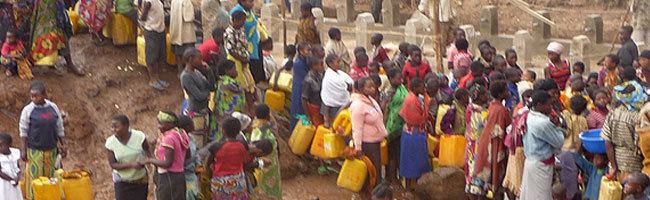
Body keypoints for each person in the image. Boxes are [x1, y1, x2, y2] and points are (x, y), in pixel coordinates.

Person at [19, 81, 66, 200]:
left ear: (44, 94)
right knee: (35, 178)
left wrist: (63, 145)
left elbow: (59, 127)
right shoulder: (28, 110)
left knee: (51, 177)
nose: (34, 99)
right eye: (32, 96)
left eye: (37, 96)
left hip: (51, 149)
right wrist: (23, 150)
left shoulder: (53, 107)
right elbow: (23, 131)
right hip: (35, 151)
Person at [520, 90, 565, 200]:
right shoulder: (542, 123)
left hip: (531, 162)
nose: (551, 108)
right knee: (541, 196)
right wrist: (558, 127)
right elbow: (559, 141)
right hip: (540, 166)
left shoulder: (529, 115)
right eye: (549, 105)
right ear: (539, 105)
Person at [603, 68, 644, 184]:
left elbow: (607, 142)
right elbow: (640, 145)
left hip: (615, 160)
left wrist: (614, 165)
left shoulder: (612, 114)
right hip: (634, 162)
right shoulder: (638, 116)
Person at [472, 81, 512, 199]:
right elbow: (506, 130)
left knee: (486, 176)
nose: (508, 93)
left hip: (486, 142)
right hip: (494, 145)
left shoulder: (491, 106)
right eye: (506, 91)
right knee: (496, 175)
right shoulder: (501, 110)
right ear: (500, 94)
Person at [350, 76, 387, 198]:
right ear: (361, 88)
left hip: (376, 141)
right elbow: (357, 128)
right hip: (367, 143)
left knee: (375, 171)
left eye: (373, 86)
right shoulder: (358, 105)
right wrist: (358, 147)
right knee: (372, 173)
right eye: (369, 87)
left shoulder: (371, 100)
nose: (373, 89)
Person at [30, 0, 84, 76]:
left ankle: (69, 64)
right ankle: (48, 63)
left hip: (53, 9)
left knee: (59, 33)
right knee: (47, 34)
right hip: (43, 9)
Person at [105, 115, 149, 200]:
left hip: (140, 179)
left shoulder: (139, 136)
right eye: (112, 127)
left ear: (126, 126)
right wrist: (132, 165)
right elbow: (113, 165)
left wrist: (150, 161)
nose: (114, 130)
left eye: (117, 127)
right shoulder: (110, 142)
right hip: (122, 181)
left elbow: (147, 149)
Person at [148, 111, 190, 200]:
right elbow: (188, 155)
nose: (158, 126)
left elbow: (167, 163)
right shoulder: (180, 134)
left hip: (168, 176)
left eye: (161, 124)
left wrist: (149, 160)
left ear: (171, 124)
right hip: (179, 176)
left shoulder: (168, 138)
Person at [399, 78, 431, 190]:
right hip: (412, 135)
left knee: (419, 161)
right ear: (415, 88)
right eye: (422, 87)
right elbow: (417, 119)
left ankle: (417, 186)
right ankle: (408, 188)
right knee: (410, 160)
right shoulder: (411, 100)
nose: (424, 89)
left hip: (418, 133)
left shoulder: (418, 98)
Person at [207, 117, 252, 199]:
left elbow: (208, 163)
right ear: (238, 131)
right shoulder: (243, 145)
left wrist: (210, 176)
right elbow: (245, 162)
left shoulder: (216, 146)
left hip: (220, 183)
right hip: (239, 181)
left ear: (223, 130)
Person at [181, 48, 216, 148]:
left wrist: (209, 72)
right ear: (191, 59)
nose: (202, 61)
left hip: (203, 112)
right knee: (196, 142)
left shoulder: (197, 73)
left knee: (203, 140)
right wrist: (207, 94)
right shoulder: (186, 76)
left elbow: (211, 86)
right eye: (199, 59)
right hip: (195, 113)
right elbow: (199, 96)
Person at [226, 10, 257, 116]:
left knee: (250, 83)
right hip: (235, 61)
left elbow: (244, 44)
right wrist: (242, 59)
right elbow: (231, 50)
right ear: (235, 20)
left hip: (244, 61)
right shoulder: (229, 32)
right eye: (242, 21)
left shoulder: (240, 30)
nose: (243, 23)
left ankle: (252, 109)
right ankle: (247, 111)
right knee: (243, 85)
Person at [558, 96, 588, 200]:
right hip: (575, 152)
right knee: (574, 178)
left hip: (563, 151)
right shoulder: (583, 120)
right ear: (584, 109)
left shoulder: (566, 116)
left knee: (564, 178)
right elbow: (582, 137)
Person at [250, 104, 282, 199]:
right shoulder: (269, 128)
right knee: (272, 186)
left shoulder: (254, 126)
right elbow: (275, 140)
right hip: (271, 162)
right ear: (268, 115)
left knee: (261, 183)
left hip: (260, 163)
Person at [381, 68, 407, 183]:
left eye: (401, 78)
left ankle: (398, 177)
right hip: (391, 126)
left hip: (402, 125)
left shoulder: (402, 89)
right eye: (398, 79)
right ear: (391, 79)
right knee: (392, 154)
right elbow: (383, 108)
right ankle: (392, 178)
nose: (401, 80)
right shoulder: (388, 92)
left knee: (399, 153)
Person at [230, 0, 266, 83]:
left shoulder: (249, 12)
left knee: (256, 73)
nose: (252, 4)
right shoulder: (237, 12)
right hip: (243, 49)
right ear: (242, 2)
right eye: (250, 2)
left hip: (253, 46)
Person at [464, 84, 489, 198]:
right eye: (485, 95)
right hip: (476, 146)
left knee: (471, 174)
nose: (487, 96)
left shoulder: (470, 108)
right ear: (480, 97)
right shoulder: (478, 112)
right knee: (476, 173)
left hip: (471, 144)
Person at [138, 0, 168, 90]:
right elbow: (142, 17)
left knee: (160, 55)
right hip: (152, 31)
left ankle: (157, 78)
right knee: (151, 57)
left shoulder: (158, 1)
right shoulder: (149, 2)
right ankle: (152, 80)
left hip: (160, 30)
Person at [215, 60, 245, 139]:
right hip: (229, 113)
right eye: (234, 69)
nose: (236, 71)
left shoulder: (220, 81)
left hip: (222, 114)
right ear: (227, 71)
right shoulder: (229, 83)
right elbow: (241, 88)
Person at [321, 54, 353, 127]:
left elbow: (349, 83)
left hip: (341, 104)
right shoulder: (330, 76)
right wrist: (347, 87)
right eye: (338, 62)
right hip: (332, 105)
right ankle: (326, 119)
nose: (340, 64)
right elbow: (344, 87)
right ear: (330, 64)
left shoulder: (340, 73)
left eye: (340, 61)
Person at [169, 0, 197, 74]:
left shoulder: (174, 1)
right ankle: (188, 72)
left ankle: (179, 70)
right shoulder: (186, 2)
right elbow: (189, 18)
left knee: (178, 54)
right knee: (189, 54)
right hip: (186, 33)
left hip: (176, 30)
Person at [177, 115, 201, 200]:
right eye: (192, 124)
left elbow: (195, 155)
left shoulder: (190, 138)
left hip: (192, 173)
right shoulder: (179, 141)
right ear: (187, 126)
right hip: (184, 176)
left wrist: (198, 170)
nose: (194, 125)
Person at [290, 42, 312, 131]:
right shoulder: (299, 64)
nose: (310, 52)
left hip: (302, 87)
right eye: (308, 50)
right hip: (300, 89)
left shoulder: (304, 60)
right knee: (299, 110)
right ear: (301, 51)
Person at [302, 56, 324, 126]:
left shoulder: (320, 76)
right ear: (314, 66)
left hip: (321, 107)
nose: (322, 67)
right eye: (320, 65)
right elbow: (304, 99)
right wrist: (308, 116)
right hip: (313, 108)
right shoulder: (308, 80)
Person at [0, 133, 22, 200]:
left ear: (9, 145)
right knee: (4, 196)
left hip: (14, 180)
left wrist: (17, 177)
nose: (0, 147)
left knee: (15, 196)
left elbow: (18, 167)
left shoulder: (15, 153)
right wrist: (11, 179)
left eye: (2, 145)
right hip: (3, 182)